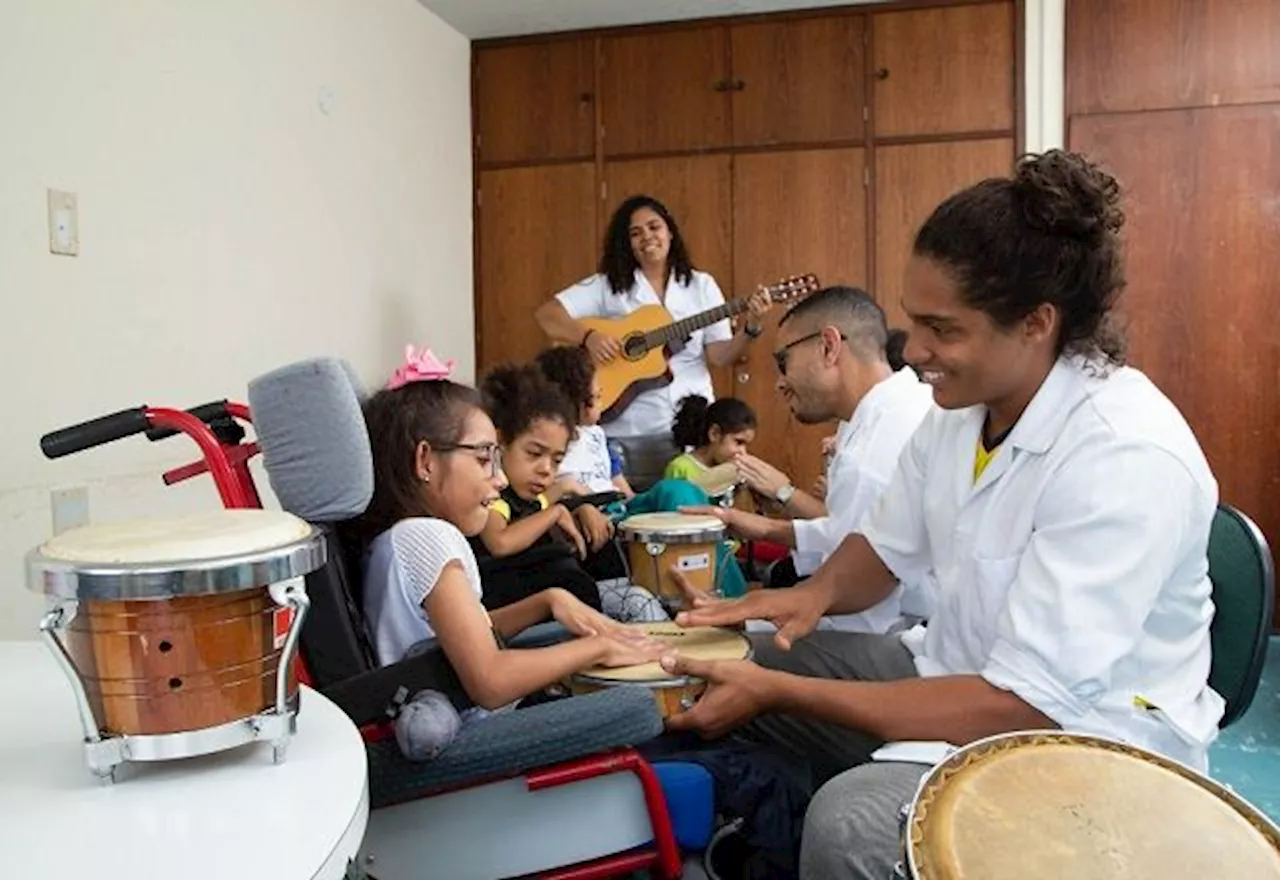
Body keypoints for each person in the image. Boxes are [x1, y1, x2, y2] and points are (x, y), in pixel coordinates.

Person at [660, 150, 1223, 879]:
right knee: (734, 659)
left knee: (850, 823)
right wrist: (803, 600)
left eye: (941, 329)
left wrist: (787, 690)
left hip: (1084, 744)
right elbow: (886, 549)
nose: (914, 351)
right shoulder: (959, 414)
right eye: (913, 322)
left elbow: (1019, 706)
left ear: (1035, 324)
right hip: (958, 670)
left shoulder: (1123, 455)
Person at [354, 347, 664, 715]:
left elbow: (456, 641)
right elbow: (490, 681)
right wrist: (599, 647)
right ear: (425, 460)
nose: (499, 479)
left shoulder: (394, 538)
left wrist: (548, 601)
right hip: (476, 738)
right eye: (484, 459)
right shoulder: (425, 537)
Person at [682, 286, 934, 633]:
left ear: (829, 347)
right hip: (900, 624)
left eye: (782, 362)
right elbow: (854, 537)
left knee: (714, 648)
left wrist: (745, 621)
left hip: (901, 639)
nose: (779, 383)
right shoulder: (903, 405)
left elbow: (862, 619)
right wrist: (770, 528)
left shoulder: (873, 452)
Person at [534, 194, 772, 438]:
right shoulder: (608, 285)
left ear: (670, 232)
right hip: (626, 426)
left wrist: (751, 328)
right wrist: (589, 337)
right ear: (627, 243)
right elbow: (548, 315)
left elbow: (719, 356)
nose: (647, 237)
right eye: (635, 233)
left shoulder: (702, 285)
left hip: (691, 425)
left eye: (654, 227)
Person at [472, 363, 668, 622]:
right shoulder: (495, 496)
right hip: (522, 613)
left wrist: (578, 507)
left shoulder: (529, 498)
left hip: (566, 601)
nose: (545, 470)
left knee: (641, 596)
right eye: (533, 453)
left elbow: (549, 499)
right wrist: (556, 513)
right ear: (501, 443)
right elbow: (500, 542)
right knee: (636, 603)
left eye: (556, 460)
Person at [664, 394, 758, 486]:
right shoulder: (680, 468)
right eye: (739, 442)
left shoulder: (733, 470)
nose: (743, 452)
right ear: (714, 433)